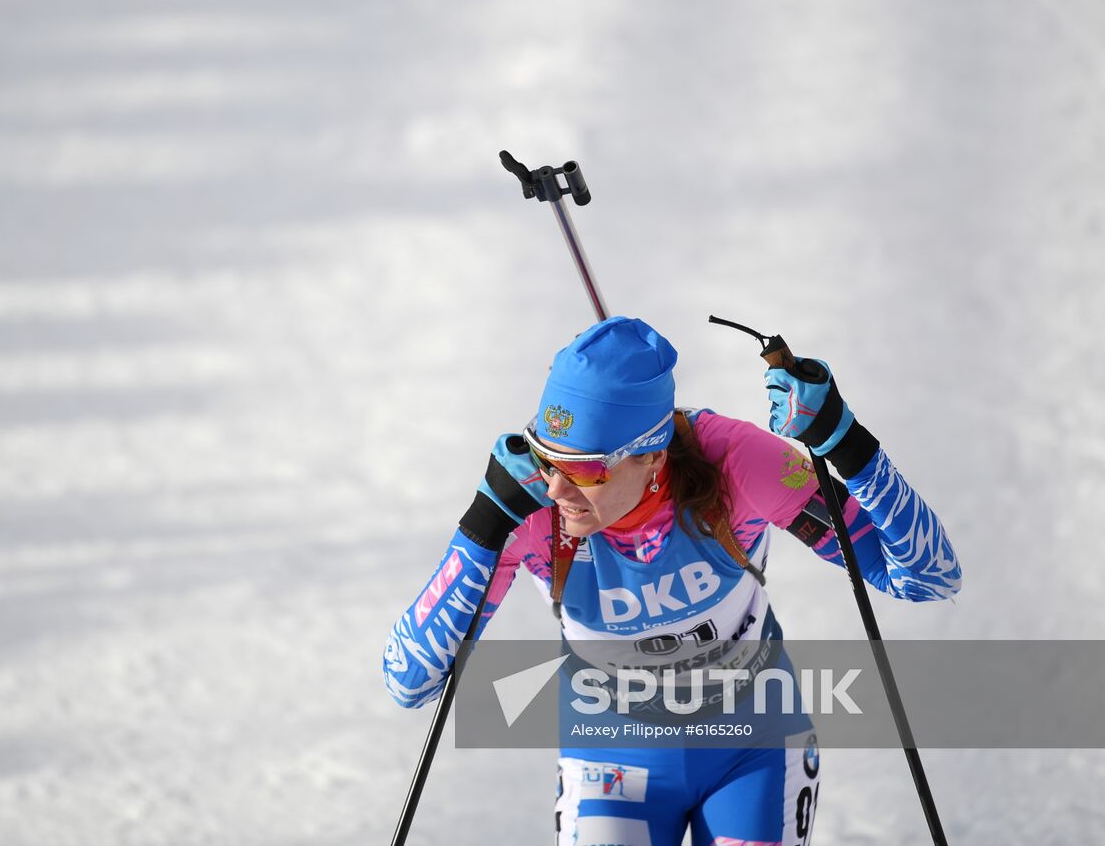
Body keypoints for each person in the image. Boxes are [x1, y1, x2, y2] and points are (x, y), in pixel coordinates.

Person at [382, 316, 961, 846]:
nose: (557, 490)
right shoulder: (529, 507)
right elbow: (409, 682)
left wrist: (846, 442)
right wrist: (482, 525)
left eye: (583, 469)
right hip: (612, 758)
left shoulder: (740, 462)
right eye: (545, 458)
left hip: (753, 749)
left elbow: (928, 577)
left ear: (651, 458)